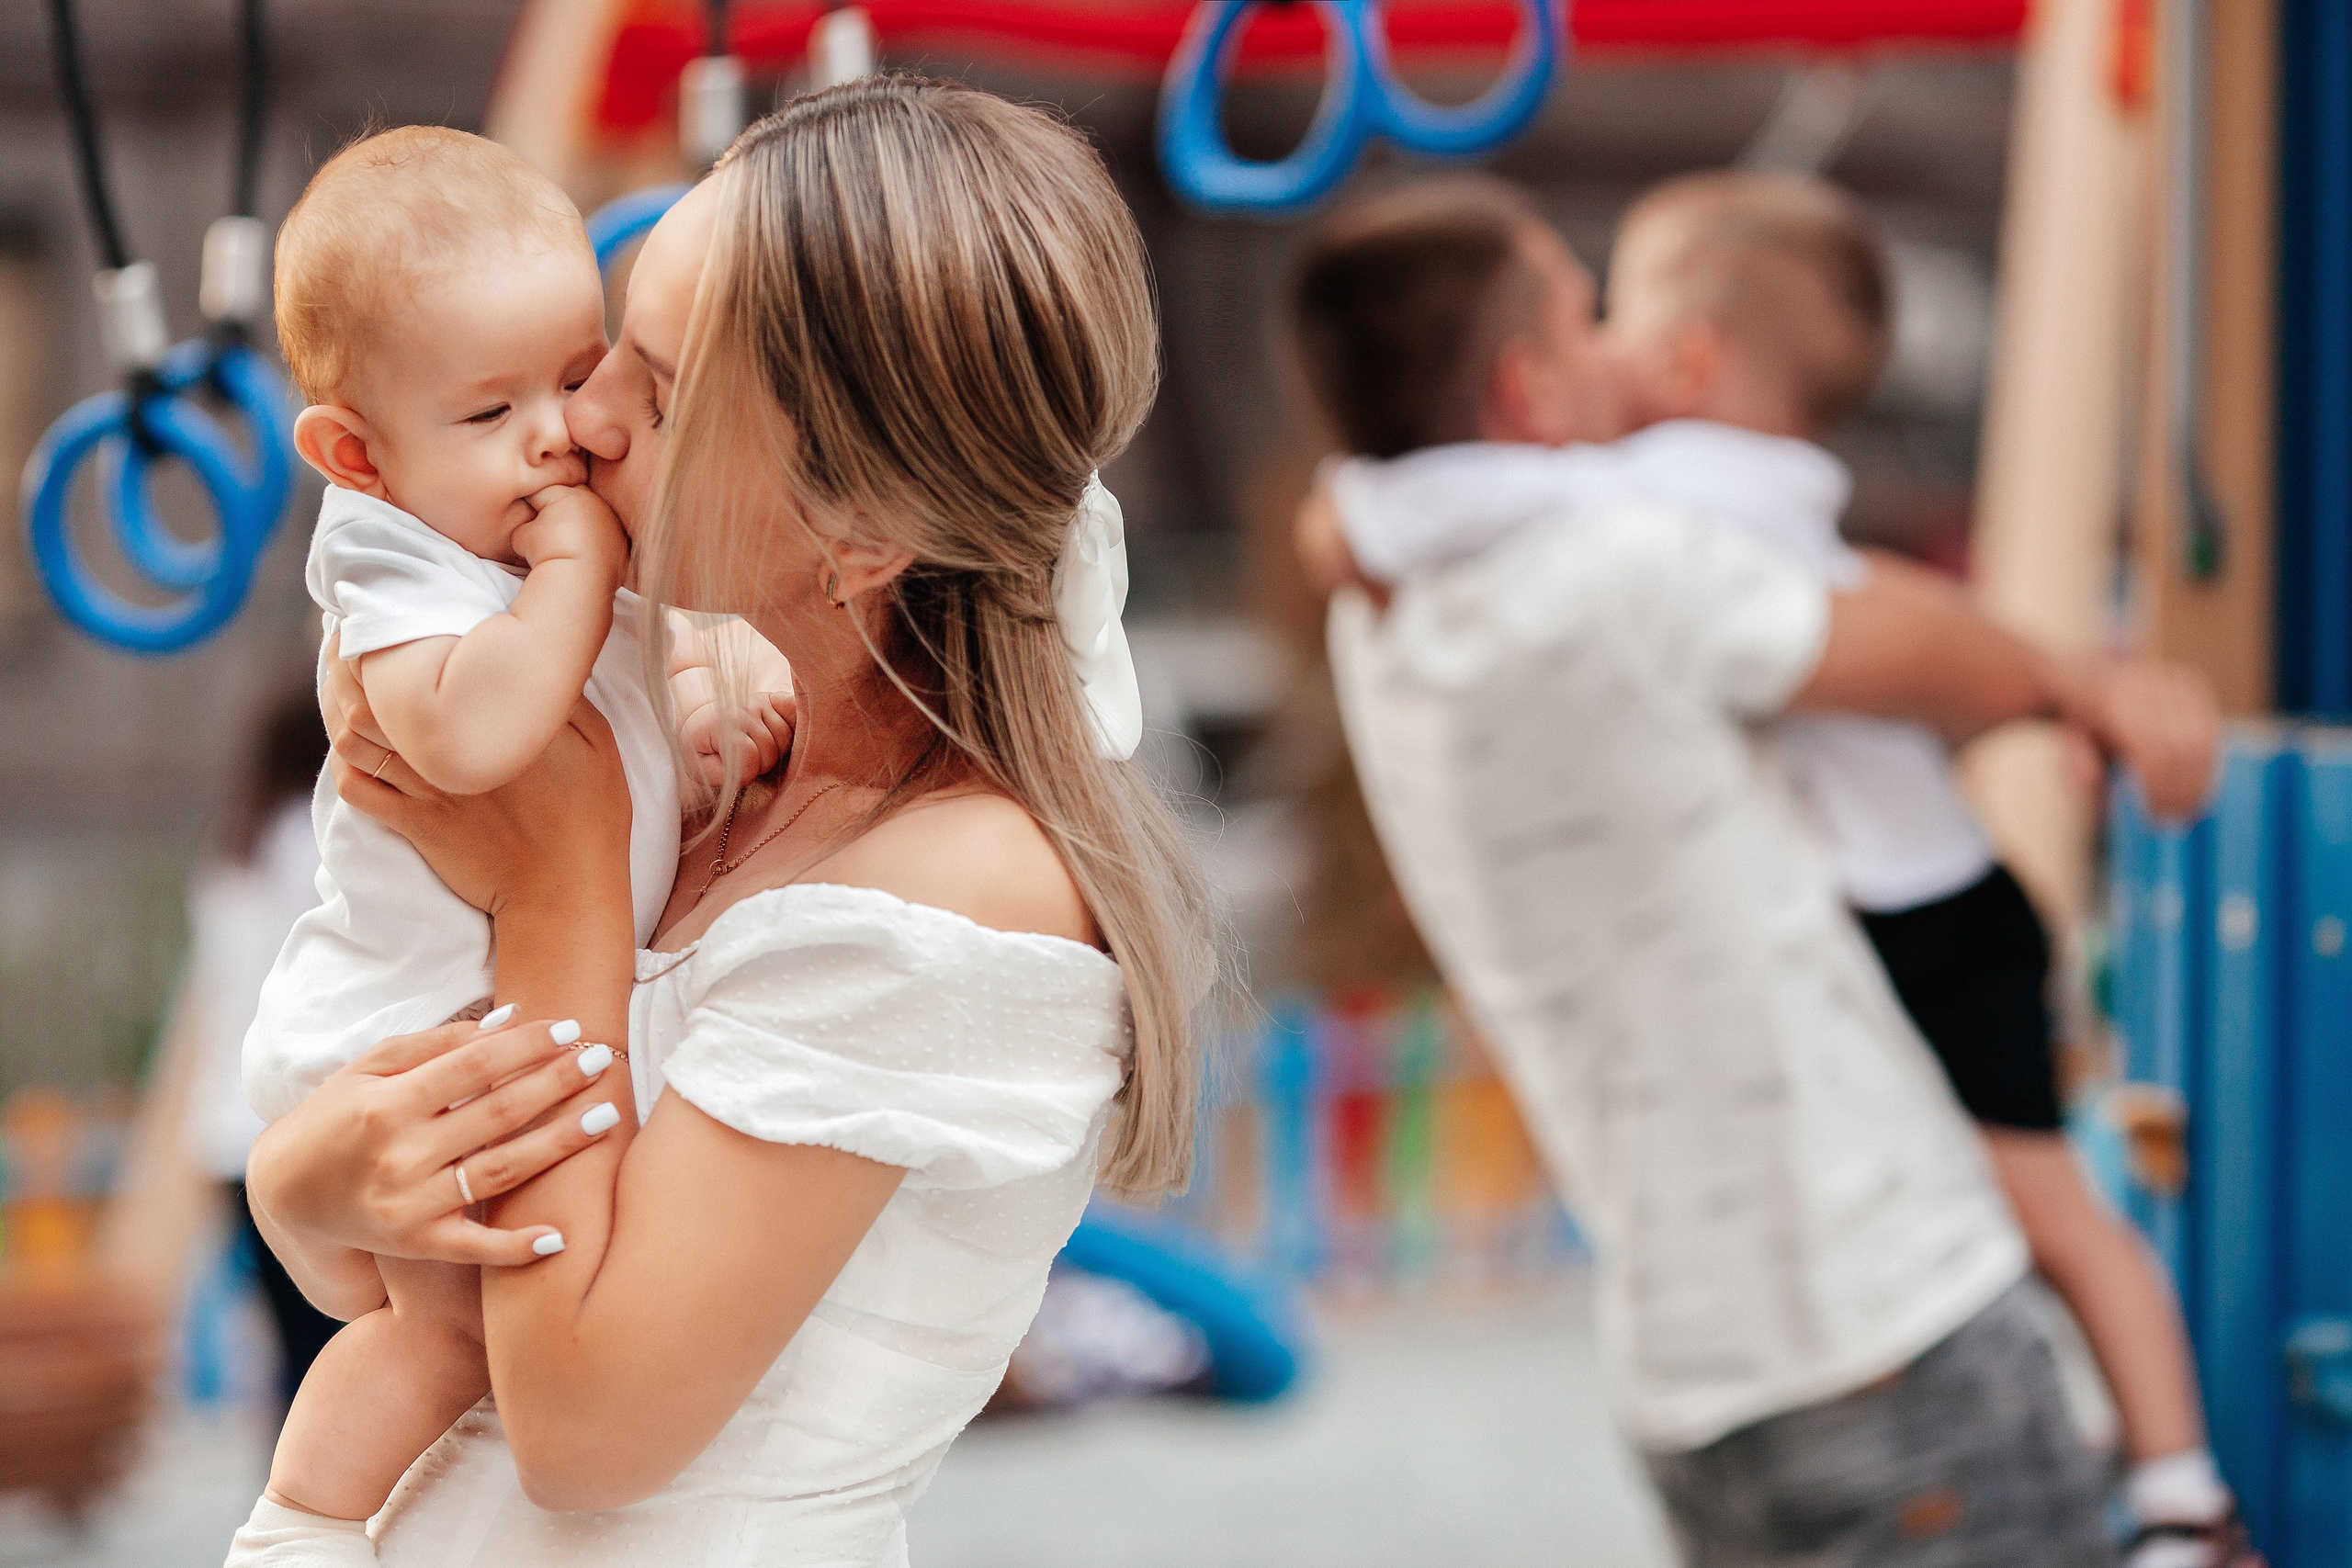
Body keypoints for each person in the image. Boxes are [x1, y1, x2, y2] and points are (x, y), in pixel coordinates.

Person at [234, 74, 1212, 1568]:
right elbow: (405, 1275)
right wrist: (302, 1181)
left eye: (660, 393)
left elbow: (583, 1430)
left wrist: (559, 882)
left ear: (861, 529)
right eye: (606, 350)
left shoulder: (953, 883)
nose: (584, 425)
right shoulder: (725, 760)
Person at [1309, 172, 2247, 1568]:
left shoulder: (1382, 614)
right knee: (2059, 1204)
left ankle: (2177, 1491)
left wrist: (1335, 517)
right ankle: (2184, 1498)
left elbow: (1366, 511)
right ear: (1525, 388)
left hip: (1691, 1391)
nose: (1616, 345)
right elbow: (1911, 641)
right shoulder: (1621, 567)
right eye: (1583, 314)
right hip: (1887, 1335)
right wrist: (2084, 687)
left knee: (2055, 1205)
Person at [229, 126, 795, 1563]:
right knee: (441, 1334)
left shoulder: (516, 524)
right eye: (490, 410)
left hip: (494, 1011)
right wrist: (579, 572)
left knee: (500, 1326)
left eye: (575, 371)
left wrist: (702, 708)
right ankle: (299, 1525)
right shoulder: (393, 555)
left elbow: (620, 705)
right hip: (406, 1030)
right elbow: (478, 738)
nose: (557, 432)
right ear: (356, 453)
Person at [183, 689, 338, 1408]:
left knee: (288, 1343)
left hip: (224, 1130)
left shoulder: (231, 857)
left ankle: (286, 1467)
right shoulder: (315, 843)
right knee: (329, 1339)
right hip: (291, 1119)